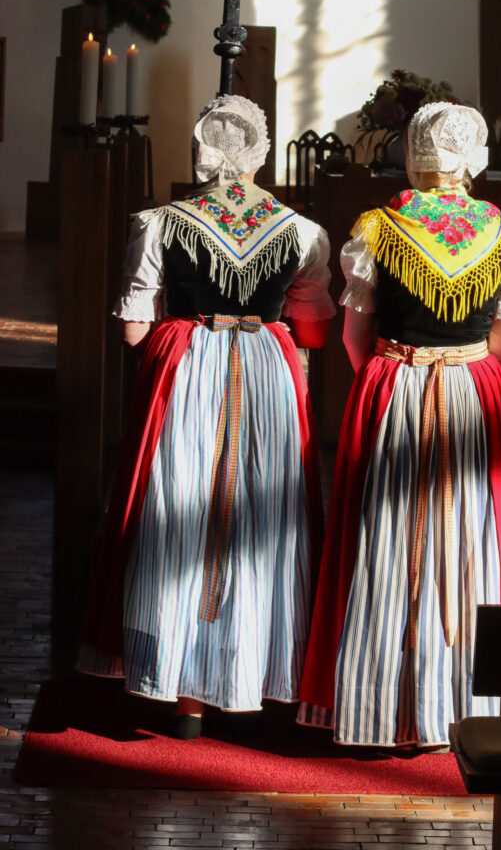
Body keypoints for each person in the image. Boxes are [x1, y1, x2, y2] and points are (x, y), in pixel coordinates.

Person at [78, 95, 336, 738]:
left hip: (189, 375)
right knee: (259, 518)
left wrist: (184, 316)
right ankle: (245, 675)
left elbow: (136, 332)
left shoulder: (162, 222)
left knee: (180, 512)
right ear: (260, 150)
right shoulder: (300, 231)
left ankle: (180, 685)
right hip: (267, 381)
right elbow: (314, 332)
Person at [297, 102, 501, 748]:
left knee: (388, 537)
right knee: (467, 539)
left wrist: (397, 371)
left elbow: (353, 336)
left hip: (396, 384)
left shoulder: (377, 229)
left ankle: (384, 704)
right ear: (473, 157)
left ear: (415, 153)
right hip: (469, 391)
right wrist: (459, 365)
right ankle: (455, 703)